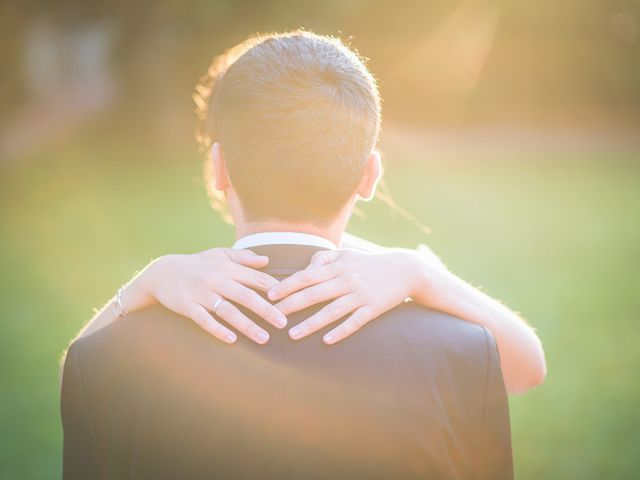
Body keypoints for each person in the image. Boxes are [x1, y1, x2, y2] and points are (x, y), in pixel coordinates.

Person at [61, 30, 542, 479]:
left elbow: (76, 377)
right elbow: (527, 367)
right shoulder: (459, 351)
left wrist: (145, 283)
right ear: (369, 176)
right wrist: (421, 273)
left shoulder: (110, 359)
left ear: (218, 169)